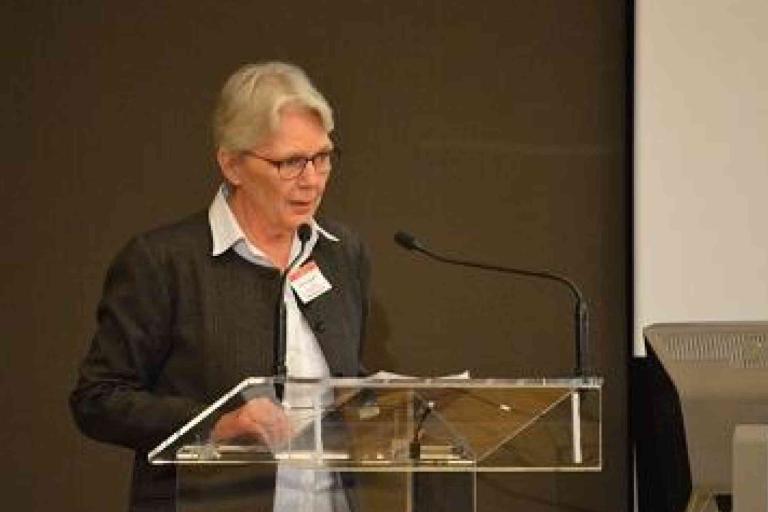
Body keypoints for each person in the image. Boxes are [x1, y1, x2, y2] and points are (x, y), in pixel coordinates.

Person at [70, 61, 370, 512]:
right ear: (231, 163)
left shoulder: (342, 253)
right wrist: (216, 423)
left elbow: (344, 386)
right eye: (290, 162)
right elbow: (98, 399)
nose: (311, 180)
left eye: (322, 157)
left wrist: (396, 405)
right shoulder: (164, 262)